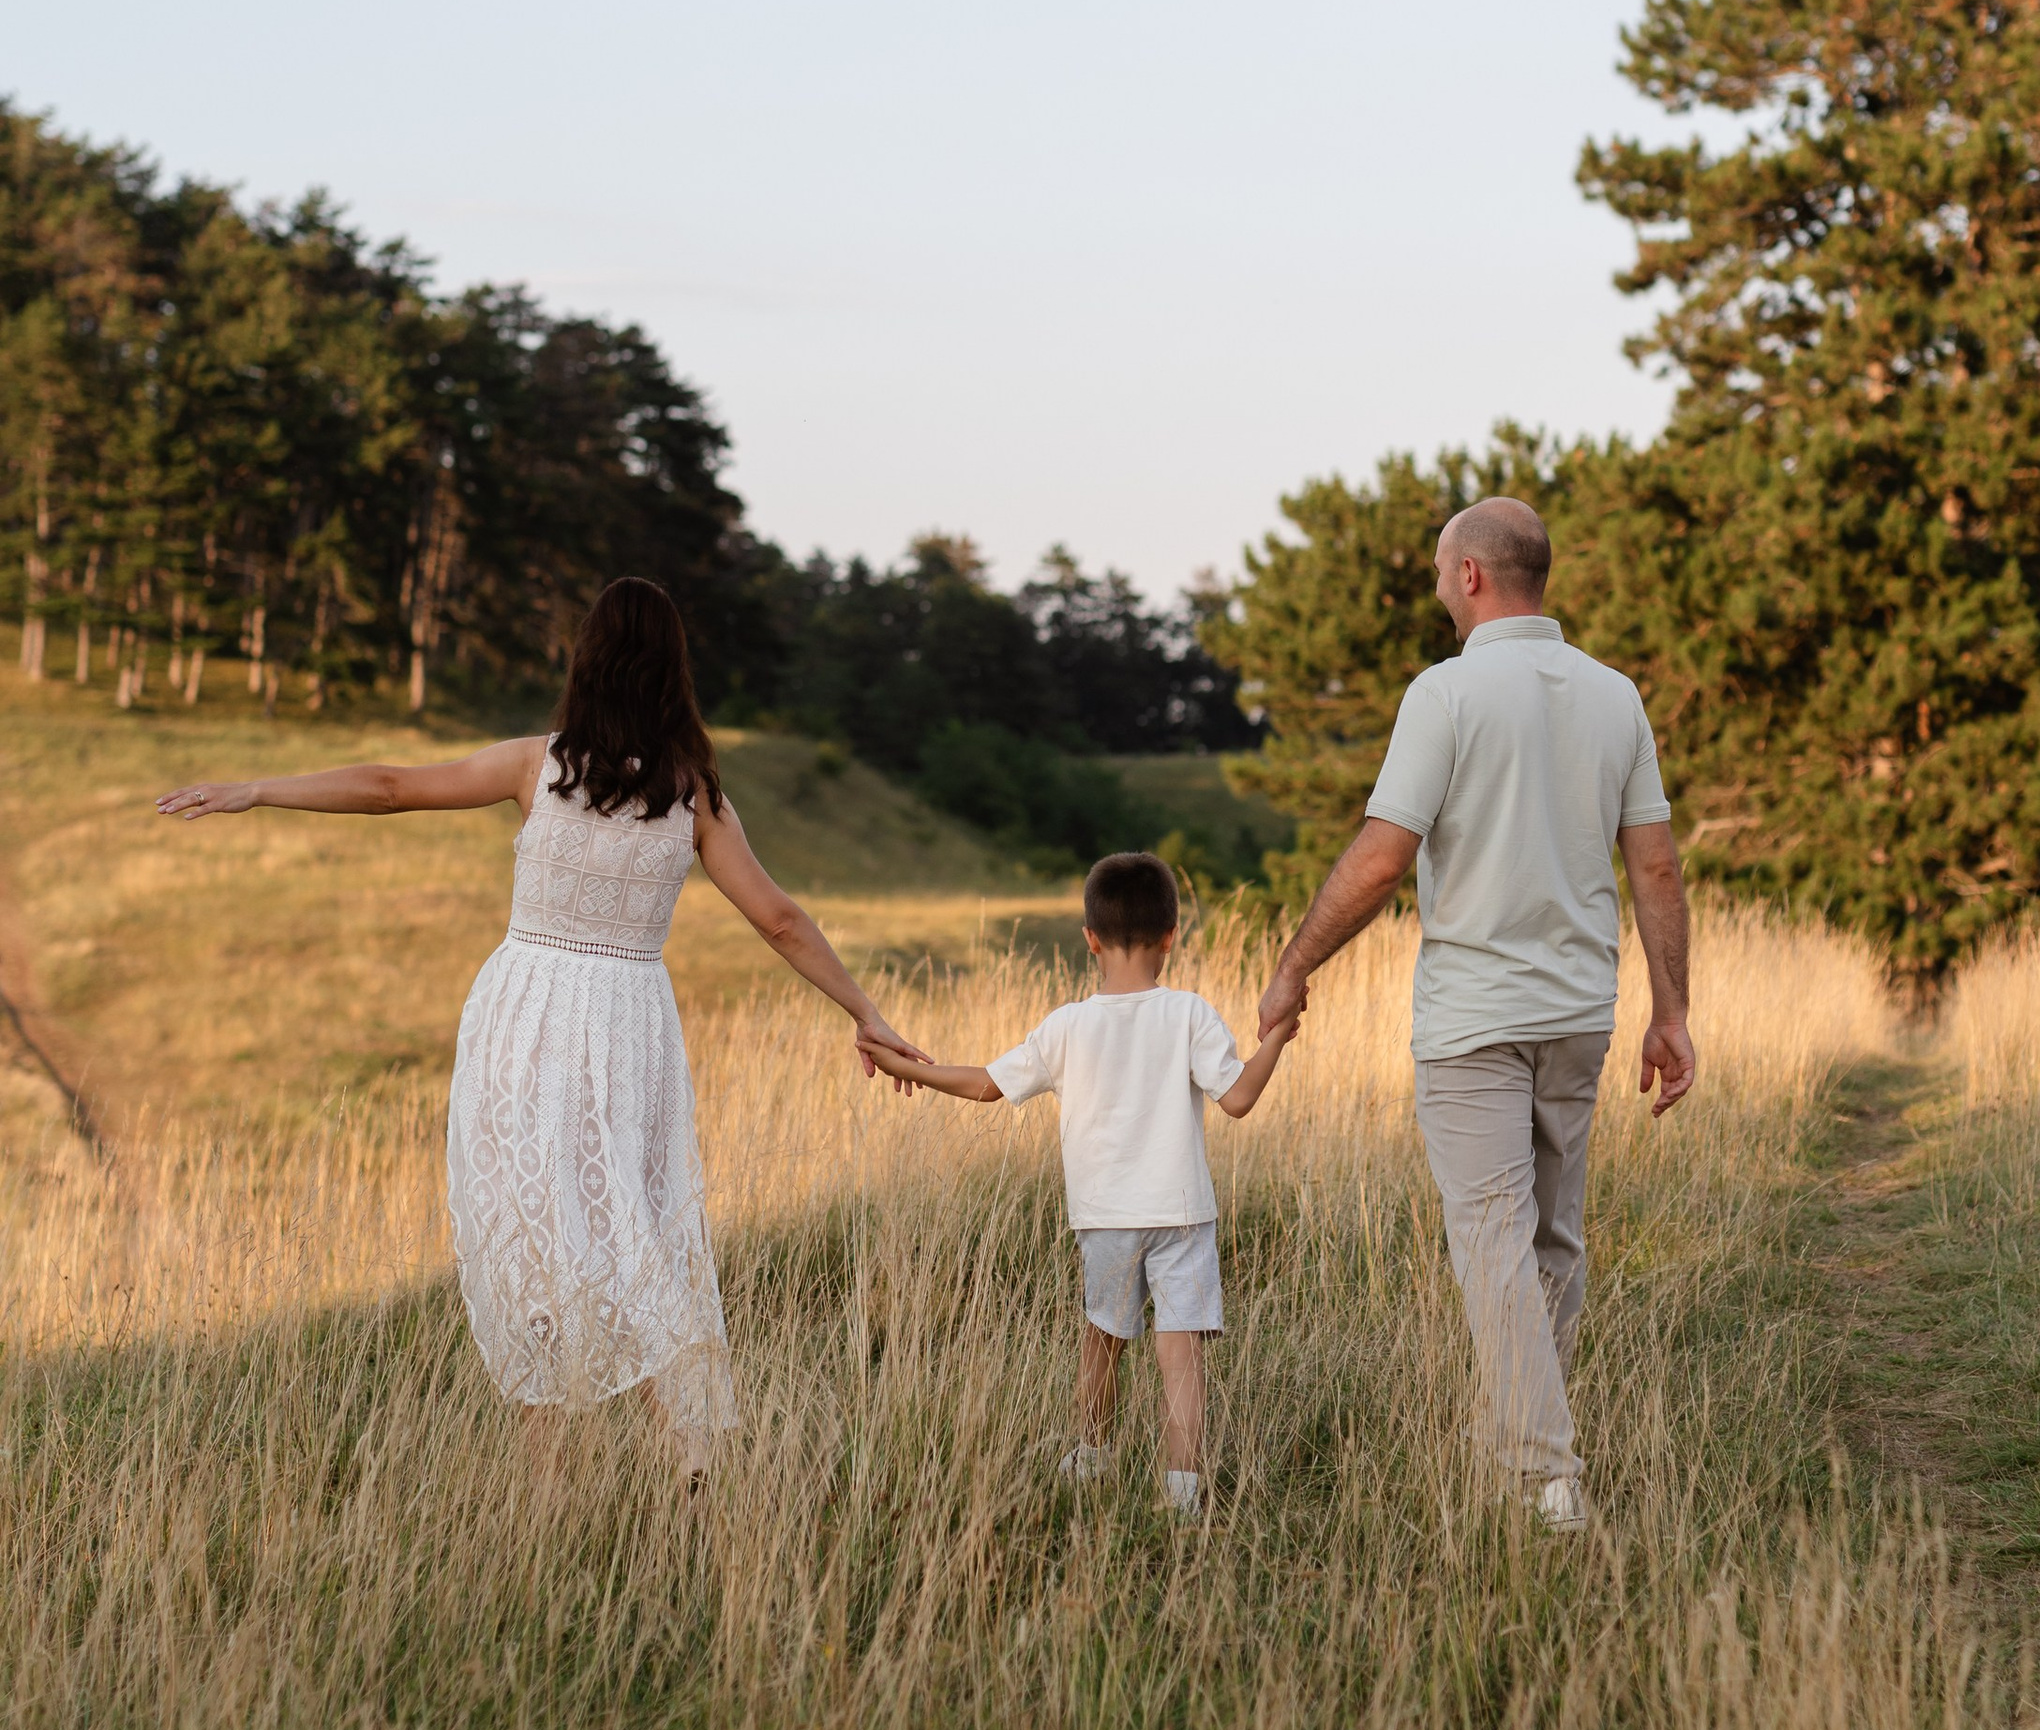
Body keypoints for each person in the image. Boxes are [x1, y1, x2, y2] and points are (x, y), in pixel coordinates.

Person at [156, 576, 921, 1476]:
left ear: (585, 659)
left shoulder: (538, 765)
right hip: (633, 1023)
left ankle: (549, 1480)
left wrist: (258, 789)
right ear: (675, 672)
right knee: (627, 1224)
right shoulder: (695, 797)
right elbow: (780, 919)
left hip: (525, 1017)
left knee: (532, 1229)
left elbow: (394, 786)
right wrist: (864, 1010)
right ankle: (692, 1452)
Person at [1255, 495, 1693, 1532]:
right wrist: (1670, 1012)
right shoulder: (1614, 695)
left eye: (1437, 570)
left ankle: (1546, 1477)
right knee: (1549, 1242)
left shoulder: (1444, 696)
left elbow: (1380, 850)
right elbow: (1658, 866)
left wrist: (1294, 961)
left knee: (1494, 1244)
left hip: (1473, 1022)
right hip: (1579, 1012)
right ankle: (1522, 1453)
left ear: (1470, 578)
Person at [867, 848, 1298, 1513]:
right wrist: (1276, 1039)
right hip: (1182, 1212)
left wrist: (912, 1067)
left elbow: (985, 1085)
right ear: (1171, 937)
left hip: (1104, 1219)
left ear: (1090, 940)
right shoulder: (1189, 1012)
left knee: (1103, 1341)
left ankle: (1092, 1457)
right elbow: (1237, 1099)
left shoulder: (1066, 1026)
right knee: (1180, 1359)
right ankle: (1181, 1495)